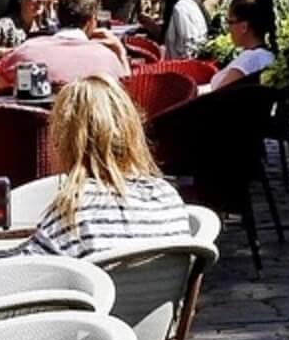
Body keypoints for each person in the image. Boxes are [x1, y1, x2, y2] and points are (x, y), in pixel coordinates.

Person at [21, 76, 193, 259]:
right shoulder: (167, 196)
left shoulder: (72, 211)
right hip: (163, 288)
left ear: (61, 142)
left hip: (99, 288)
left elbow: (26, 275)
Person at [0, 0, 129, 93]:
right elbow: (128, 100)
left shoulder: (27, 52)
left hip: (33, 126)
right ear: (92, 20)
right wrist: (120, 52)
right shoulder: (106, 58)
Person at [208, 0, 278, 92]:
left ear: (244, 27)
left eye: (230, 22)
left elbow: (215, 100)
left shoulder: (248, 61)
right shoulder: (268, 56)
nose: (228, 28)